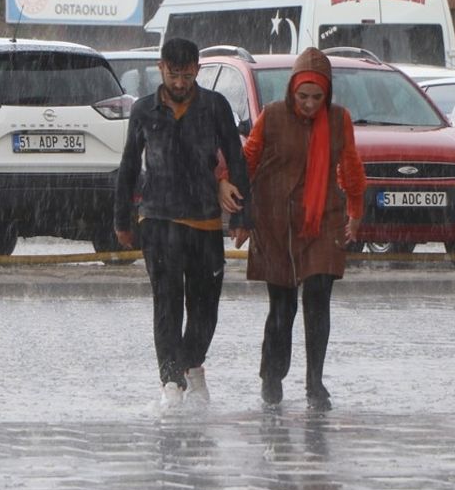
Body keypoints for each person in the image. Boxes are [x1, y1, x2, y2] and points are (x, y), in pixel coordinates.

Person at [114, 37, 250, 409]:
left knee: (205, 308)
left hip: (205, 221)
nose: (179, 83)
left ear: (197, 71)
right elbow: (129, 166)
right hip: (158, 220)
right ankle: (171, 381)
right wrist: (122, 219)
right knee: (167, 304)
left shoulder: (215, 106)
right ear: (160, 68)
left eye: (187, 76)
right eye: (173, 75)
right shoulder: (144, 110)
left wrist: (243, 216)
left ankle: (192, 364)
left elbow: (236, 159)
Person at [234, 47, 365, 411]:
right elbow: (248, 161)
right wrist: (241, 214)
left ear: (328, 94)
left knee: (318, 299)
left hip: (323, 219)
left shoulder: (339, 120)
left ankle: (315, 382)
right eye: (302, 96)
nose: (309, 104)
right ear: (291, 90)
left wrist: (355, 210)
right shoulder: (273, 115)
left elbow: (350, 166)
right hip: (275, 221)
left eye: (316, 97)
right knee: (282, 306)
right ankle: (272, 376)